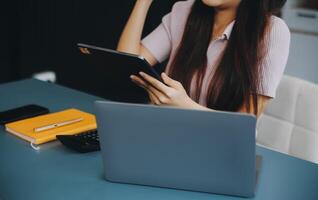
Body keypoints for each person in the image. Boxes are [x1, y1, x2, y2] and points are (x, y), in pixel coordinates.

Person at [117, 0, 290, 117]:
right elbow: (126, 65)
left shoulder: (272, 31)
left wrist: (186, 106)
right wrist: (143, 2)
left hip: (223, 151)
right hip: (169, 135)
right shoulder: (184, 11)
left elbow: (244, 124)